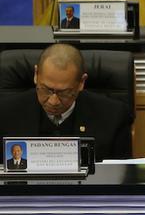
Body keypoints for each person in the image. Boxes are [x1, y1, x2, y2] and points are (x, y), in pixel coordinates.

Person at [0, 44, 132, 161]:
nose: (53, 101)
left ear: (81, 82)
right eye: (46, 90)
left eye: (64, 93)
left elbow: (121, 174)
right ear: (36, 74)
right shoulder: (5, 113)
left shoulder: (113, 116)